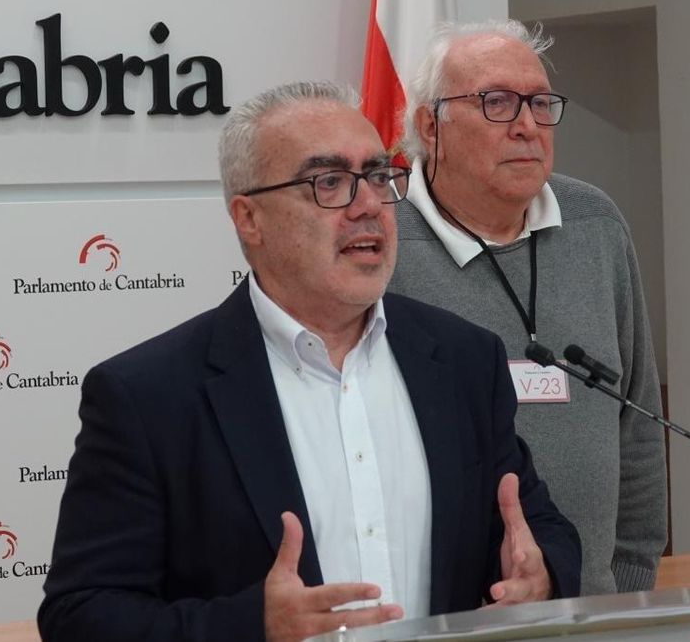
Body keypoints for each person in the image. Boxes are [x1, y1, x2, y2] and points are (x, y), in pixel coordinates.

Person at [38, 81, 580, 642]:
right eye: (329, 183)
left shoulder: (465, 359)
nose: (368, 205)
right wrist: (254, 626)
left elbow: (537, 526)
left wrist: (542, 578)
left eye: (376, 176)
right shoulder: (148, 396)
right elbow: (80, 616)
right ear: (249, 219)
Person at [388, 20, 667, 595]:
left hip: (592, 606)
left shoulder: (596, 223)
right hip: (446, 615)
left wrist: (631, 577)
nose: (527, 126)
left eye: (540, 104)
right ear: (429, 126)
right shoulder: (381, 244)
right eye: (496, 103)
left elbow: (637, 416)